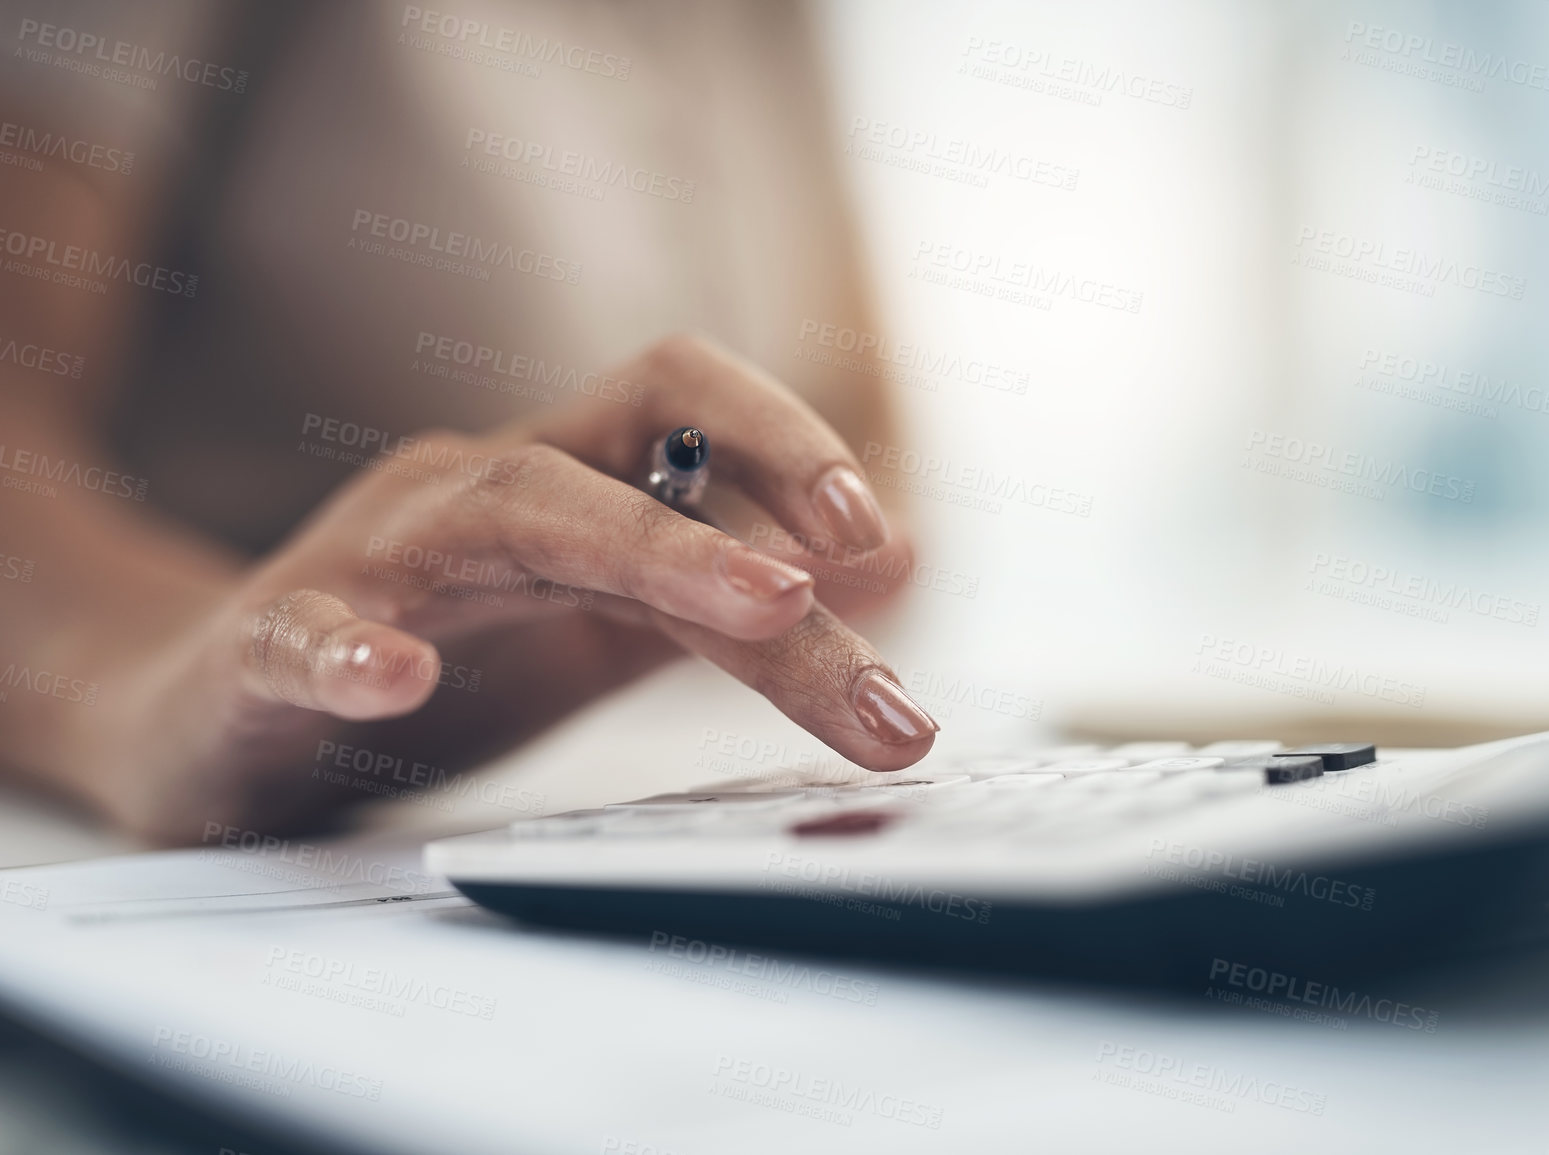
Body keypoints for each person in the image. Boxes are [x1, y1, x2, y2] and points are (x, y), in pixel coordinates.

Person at [0, 0, 936, 842]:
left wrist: (804, 550)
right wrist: (142, 684)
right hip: (164, 821)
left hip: (663, 747)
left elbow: (857, 434)